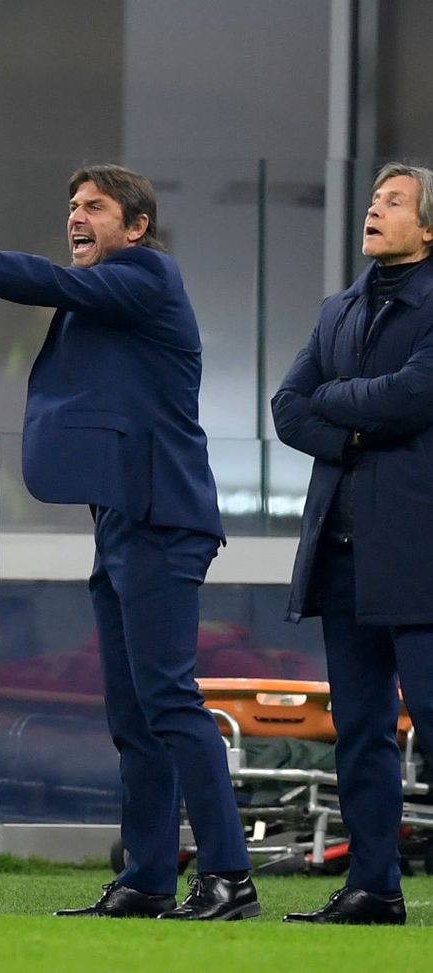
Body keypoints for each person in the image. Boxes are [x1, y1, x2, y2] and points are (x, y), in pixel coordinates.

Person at [0, 164, 260, 921]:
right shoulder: (109, 291)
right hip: (121, 519)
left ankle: (230, 878)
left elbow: (37, 280)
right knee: (134, 712)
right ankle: (147, 877)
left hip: (163, 519)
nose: (76, 215)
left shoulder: (145, 275)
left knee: (169, 698)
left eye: (94, 206)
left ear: (134, 226)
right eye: (71, 204)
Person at [272, 162, 433, 925]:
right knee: (360, 732)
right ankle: (374, 889)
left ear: (429, 228)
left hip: (421, 555)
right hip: (342, 558)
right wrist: (363, 426)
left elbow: (415, 394)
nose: (373, 209)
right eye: (373, 199)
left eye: (393, 201)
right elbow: (287, 408)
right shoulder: (338, 309)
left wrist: (341, 410)